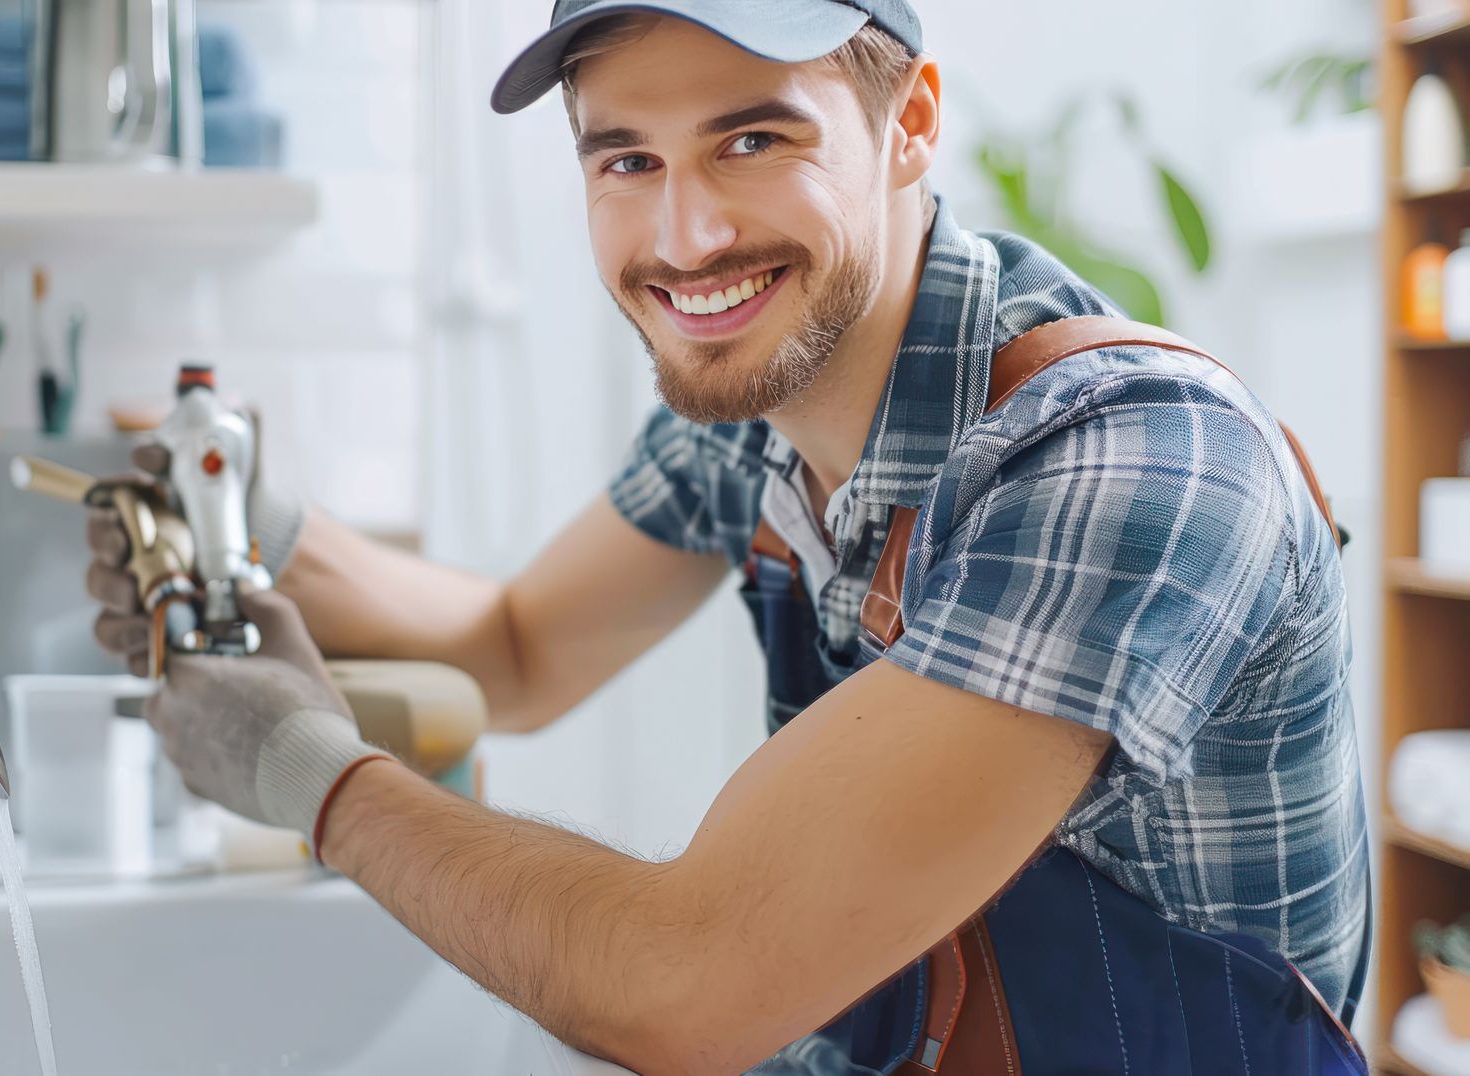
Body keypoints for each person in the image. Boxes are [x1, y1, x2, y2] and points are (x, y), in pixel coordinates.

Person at [84, 3, 1371, 1071]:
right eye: (626, 158)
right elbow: (521, 649)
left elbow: (687, 980)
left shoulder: (1129, 459)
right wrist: (253, 518)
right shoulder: (757, 392)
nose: (686, 237)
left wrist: (313, 772)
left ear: (910, 120)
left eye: (751, 139)